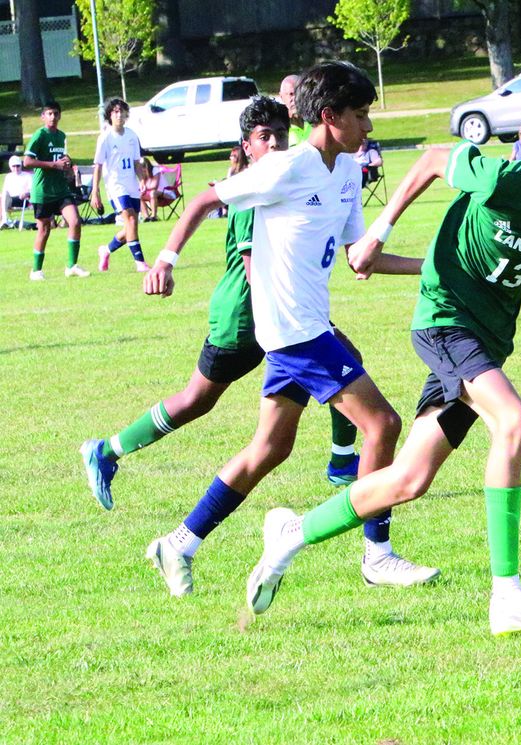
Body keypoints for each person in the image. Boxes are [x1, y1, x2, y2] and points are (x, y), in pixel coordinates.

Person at [242, 135, 521, 636]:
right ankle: (506, 596)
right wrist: (378, 230)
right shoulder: (504, 180)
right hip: (445, 321)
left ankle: (290, 534)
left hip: (488, 339)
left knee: (408, 481)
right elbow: (435, 159)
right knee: (514, 421)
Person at [138, 64, 434, 596]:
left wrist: (433, 265)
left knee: (270, 449)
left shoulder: (345, 170)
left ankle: (179, 541)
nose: (369, 127)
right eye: (361, 116)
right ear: (329, 116)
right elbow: (207, 198)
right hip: (294, 331)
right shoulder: (287, 167)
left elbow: (359, 259)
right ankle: (377, 556)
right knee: (383, 426)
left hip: (305, 325)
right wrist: (165, 259)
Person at [24, 101, 88, 280]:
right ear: (43, 117)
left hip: (61, 190)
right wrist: (54, 165)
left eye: (55, 114)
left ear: (60, 116)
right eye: (49, 114)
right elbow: (27, 162)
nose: (52, 117)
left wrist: (67, 162)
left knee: (75, 221)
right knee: (44, 230)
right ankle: (36, 270)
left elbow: (61, 159)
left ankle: (71, 266)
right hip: (43, 190)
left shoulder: (61, 136)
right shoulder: (40, 135)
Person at [91, 98, 150, 273]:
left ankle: (106, 250)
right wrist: (95, 191)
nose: (118, 115)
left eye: (121, 111)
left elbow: (136, 162)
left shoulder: (131, 135)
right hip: (116, 186)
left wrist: (142, 180)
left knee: (130, 226)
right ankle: (140, 263)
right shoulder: (105, 138)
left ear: (126, 114)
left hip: (131, 184)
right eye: (115, 112)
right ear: (110, 115)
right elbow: (98, 165)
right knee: (130, 219)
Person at [278, 73, 312, 146]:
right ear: (281, 97)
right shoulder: (280, 128)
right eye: (291, 94)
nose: (295, 98)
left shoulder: (316, 122)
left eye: (298, 93)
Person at [2, 155, 32, 229]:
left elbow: (32, 190)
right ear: (10, 167)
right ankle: (5, 220)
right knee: (4, 196)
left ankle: (5, 220)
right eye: (14, 166)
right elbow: (5, 190)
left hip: (23, 199)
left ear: (21, 166)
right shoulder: (8, 177)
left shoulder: (27, 176)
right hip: (10, 199)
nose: (16, 168)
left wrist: (26, 193)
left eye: (18, 166)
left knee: (4, 197)